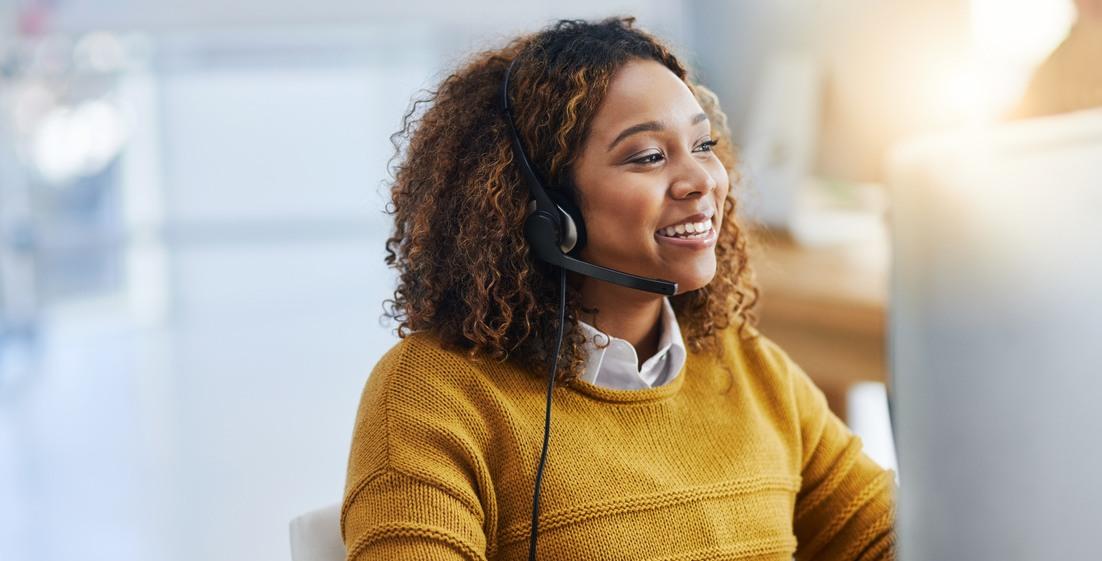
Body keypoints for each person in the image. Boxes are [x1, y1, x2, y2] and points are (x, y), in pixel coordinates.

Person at [341, 17, 896, 561]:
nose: (702, 180)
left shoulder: (749, 367)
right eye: (649, 156)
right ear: (545, 211)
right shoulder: (432, 397)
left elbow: (894, 540)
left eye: (703, 145)